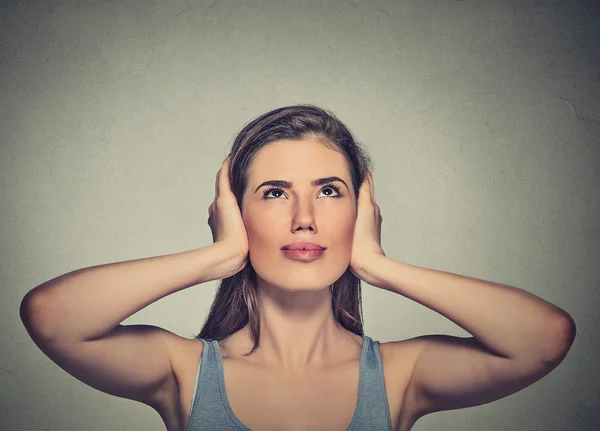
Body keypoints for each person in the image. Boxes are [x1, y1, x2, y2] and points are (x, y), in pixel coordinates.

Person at [20, 105, 576, 431]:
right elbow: (50, 315)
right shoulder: (183, 370)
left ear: (360, 213)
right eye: (275, 192)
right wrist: (218, 256)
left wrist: (378, 266)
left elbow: (545, 338)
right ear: (237, 214)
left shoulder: (402, 376)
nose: (305, 218)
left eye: (330, 192)